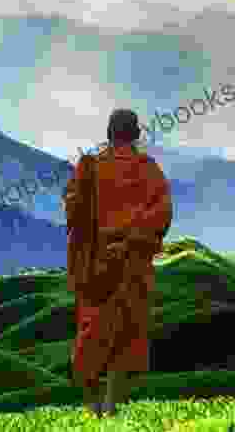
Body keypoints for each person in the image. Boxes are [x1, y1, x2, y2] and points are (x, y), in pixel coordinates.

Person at [61, 109, 173, 417]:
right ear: (136, 134)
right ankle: (111, 408)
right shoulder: (149, 170)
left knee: (91, 336)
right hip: (132, 266)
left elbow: (73, 212)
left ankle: (92, 409)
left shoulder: (90, 167)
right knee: (123, 338)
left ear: (109, 133)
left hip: (96, 267)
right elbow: (162, 214)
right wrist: (132, 239)